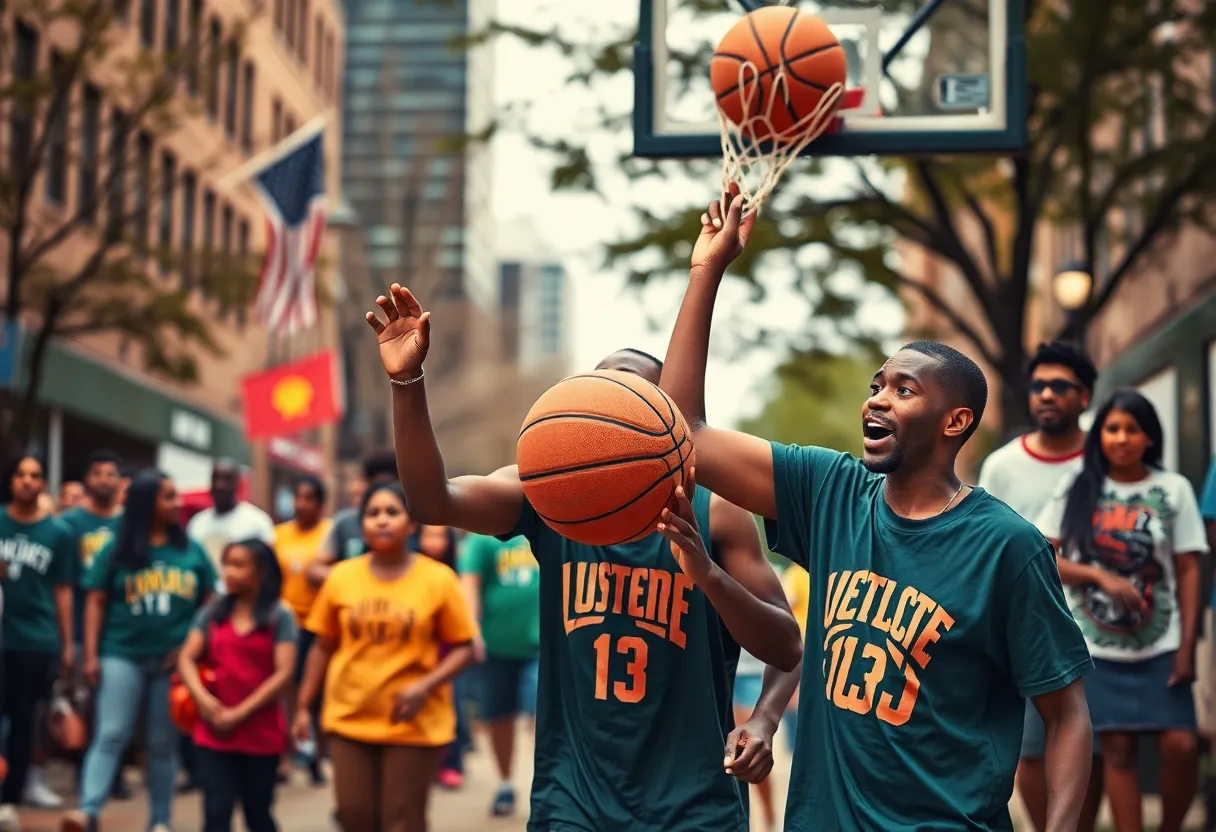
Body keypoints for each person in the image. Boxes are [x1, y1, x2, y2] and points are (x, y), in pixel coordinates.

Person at [656, 191, 1095, 831]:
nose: (877, 401)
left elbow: (1067, 712)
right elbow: (683, 433)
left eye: (903, 389)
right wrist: (707, 272)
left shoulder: (1007, 545)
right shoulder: (831, 490)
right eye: (876, 386)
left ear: (957, 421)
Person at [366, 283, 803, 832]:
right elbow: (434, 501)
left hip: (693, 802)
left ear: (665, 418)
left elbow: (786, 646)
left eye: (624, 398)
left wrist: (762, 719)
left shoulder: (719, 511)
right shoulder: (548, 499)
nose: (604, 414)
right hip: (573, 796)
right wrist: (407, 382)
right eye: (597, 396)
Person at [1036, 389, 1207, 832]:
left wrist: (1188, 645)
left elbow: (1188, 569)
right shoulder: (1078, 485)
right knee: (1117, 751)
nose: (1122, 438)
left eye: (1133, 429)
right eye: (1112, 428)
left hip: (1161, 644)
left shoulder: (1173, 489)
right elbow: (1043, 555)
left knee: (1181, 746)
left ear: (1150, 437)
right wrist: (1100, 577)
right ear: (1101, 436)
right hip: (1095, 647)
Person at [295, 482, 477, 832]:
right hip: (349, 716)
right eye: (372, 513)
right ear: (361, 524)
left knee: (402, 822)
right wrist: (303, 706)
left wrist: (424, 687)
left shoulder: (438, 579)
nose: (381, 520)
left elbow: (467, 647)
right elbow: (322, 646)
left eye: (392, 512)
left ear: (411, 525)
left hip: (412, 722)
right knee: (353, 816)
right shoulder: (341, 577)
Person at [976, 340, 1102, 831]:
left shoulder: (1106, 454)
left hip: (1105, 630)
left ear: (1085, 396)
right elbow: (983, 541)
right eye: (1039, 386)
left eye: (1061, 386)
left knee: (1101, 750)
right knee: (1029, 754)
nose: (1047, 394)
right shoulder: (1003, 465)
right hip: (1026, 628)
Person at [61, 469, 217, 832]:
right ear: (147, 503)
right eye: (168, 496)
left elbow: (210, 604)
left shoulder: (190, 549)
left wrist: (189, 648)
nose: (177, 503)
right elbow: (96, 601)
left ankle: (160, 821)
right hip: (121, 654)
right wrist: (90, 656)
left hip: (172, 661)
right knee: (111, 732)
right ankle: (88, 811)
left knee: (162, 744)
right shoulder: (117, 547)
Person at [179, 539, 297, 832]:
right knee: (216, 813)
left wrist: (240, 713)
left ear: (262, 573)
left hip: (261, 731)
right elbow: (186, 657)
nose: (228, 572)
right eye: (226, 565)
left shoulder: (280, 615)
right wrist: (203, 700)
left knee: (257, 813)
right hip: (214, 728)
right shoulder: (214, 611)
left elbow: (283, 675)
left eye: (239, 565)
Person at [0, 454, 74, 831]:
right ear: (11, 480)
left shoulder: (58, 534)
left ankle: (9, 800)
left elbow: (63, 591)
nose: (28, 481)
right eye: (21, 474)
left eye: (35, 475)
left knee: (23, 720)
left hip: (35, 638)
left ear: (44, 483)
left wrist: (66, 644)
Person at [60, 450, 131, 803]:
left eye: (110, 473)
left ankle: (115, 774)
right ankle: (81, 770)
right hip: (77, 626)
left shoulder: (128, 525)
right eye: (97, 473)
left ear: (119, 481)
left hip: (117, 631)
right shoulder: (70, 524)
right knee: (82, 702)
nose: (104, 479)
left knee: (113, 707)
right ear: (88, 479)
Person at [458, 531, 539, 814]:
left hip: (544, 644)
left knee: (542, 713)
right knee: (499, 717)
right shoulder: (484, 536)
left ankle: (548, 783)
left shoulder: (554, 520)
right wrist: (472, 630)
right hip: (497, 645)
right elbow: (470, 582)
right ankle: (505, 783)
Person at [273, 476, 332, 786]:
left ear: (321, 504)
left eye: (309, 498)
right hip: (285, 625)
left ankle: (317, 758)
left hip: (319, 625)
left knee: (318, 695)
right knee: (286, 692)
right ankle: (285, 757)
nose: (302, 504)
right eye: (298, 497)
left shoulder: (329, 533)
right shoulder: (279, 535)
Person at [417, 525, 474, 791]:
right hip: (420, 654)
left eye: (439, 536)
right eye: (427, 535)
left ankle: (452, 763)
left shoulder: (456, 573)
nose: (433, 542)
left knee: (454, 710)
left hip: (451, 655)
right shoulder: (410, 571)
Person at [312, 451, 398, 578]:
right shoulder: (345, 523)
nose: (382, 521)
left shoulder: (413, 522)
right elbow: (315, 569)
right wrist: (350, 581)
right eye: (377, 485)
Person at [186, 459, 275, 580]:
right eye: (215, 478)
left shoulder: (258, 521)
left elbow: (268, 567)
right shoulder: (197, 523)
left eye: (226, 479)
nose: (220, 485)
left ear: (237, 482)